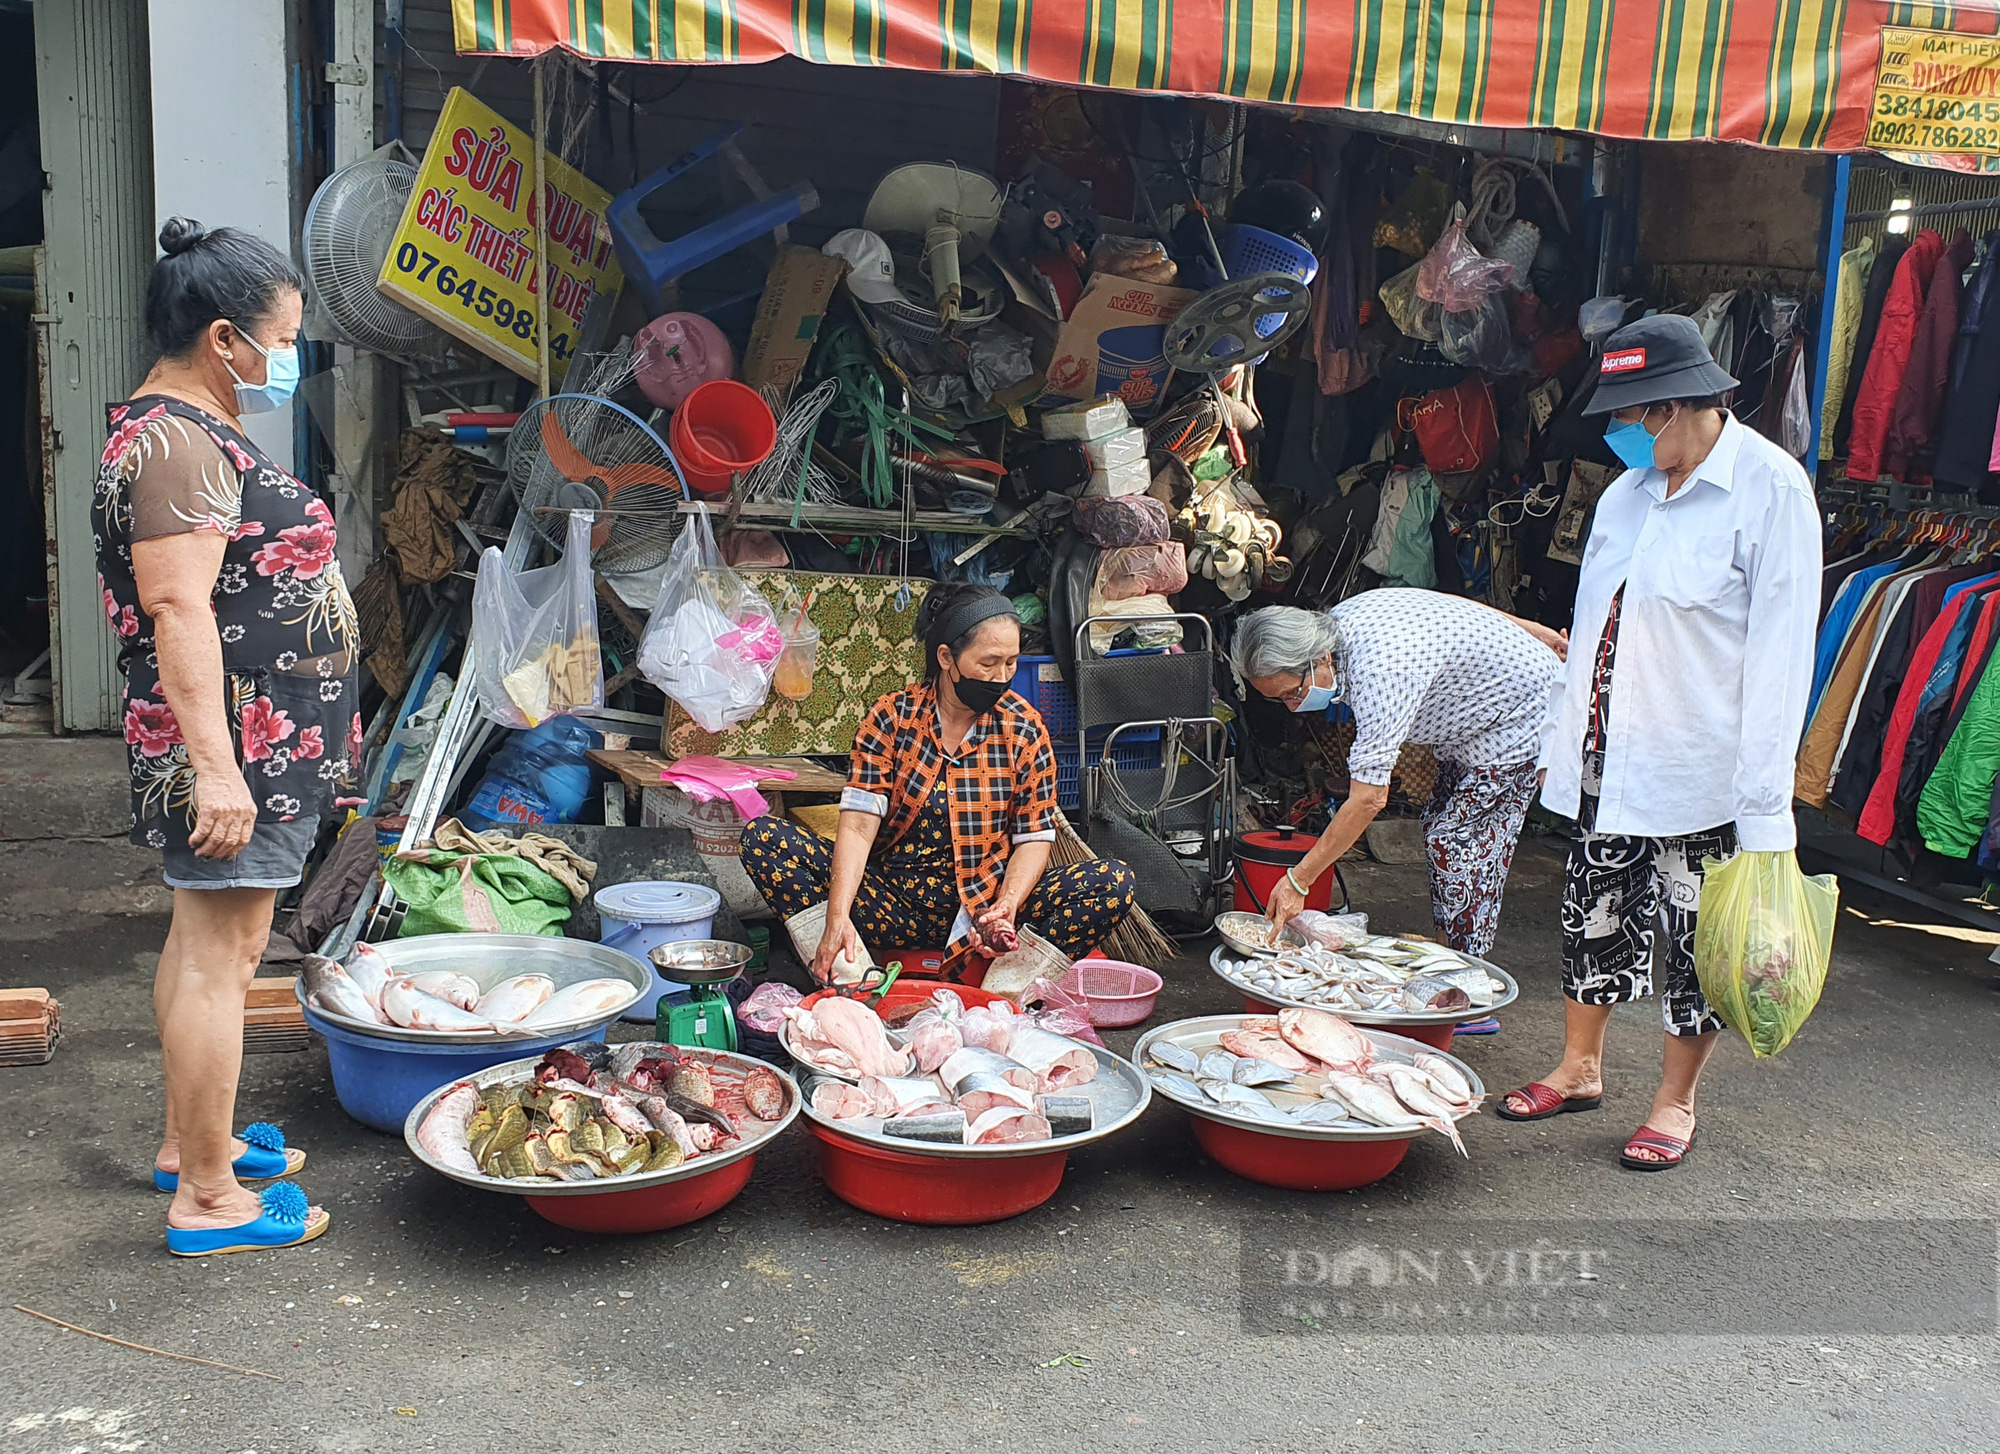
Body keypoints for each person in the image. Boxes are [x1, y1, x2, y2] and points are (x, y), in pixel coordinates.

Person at [1498, 313, 1820, 1171]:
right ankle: (1580, 1066)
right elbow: (1594, 623)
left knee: (1692, 946)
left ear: (1682, 407)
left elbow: (1782, 661)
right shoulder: (1624, 495)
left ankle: (1675, 1103)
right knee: (1591, 919)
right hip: (1610, 755)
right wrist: (1562, 742)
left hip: (1702, 770)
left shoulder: (1771, 492)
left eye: (1637, 419)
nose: (1625, 436)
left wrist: (1765, 812)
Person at [96, 218, 356, 1254]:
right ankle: (208, 1195)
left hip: (260, 735)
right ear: (222, 338)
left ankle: (186, 1142)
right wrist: (216, 769)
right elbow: (178, 609)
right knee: (224, 955)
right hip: (234, 741)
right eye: (283, 338)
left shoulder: (186, 429)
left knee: (202, 938)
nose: (287, 358)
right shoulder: (175, 443)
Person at [740, 583, 1136, 981]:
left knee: (1111, 882)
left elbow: (1033, 836)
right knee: (764, 839)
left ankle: (1001, 1000)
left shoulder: (1024, 728)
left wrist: (1007, 907)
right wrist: (838, 914)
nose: (1002, 678)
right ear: (947, 657)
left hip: (985, 906)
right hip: (893, 901)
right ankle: (855, 983)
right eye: (988, 663)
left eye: (1012, 663)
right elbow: (859, 826)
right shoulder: (893, 718)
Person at [1232, 593, 1567, 961]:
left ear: (1320, 657)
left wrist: (1299, 880)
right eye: (1280, 700)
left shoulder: (1381, 672)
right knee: (1438, 827)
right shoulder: (1341, 621)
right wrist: (1531, 629)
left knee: (1459, 846)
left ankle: (1466, 975)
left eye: (1293, 692)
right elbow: (1451, 606)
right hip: (1479, 715)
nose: (1294, 706)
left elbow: (1369, 798)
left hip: (1523, 711)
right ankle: (1448, 947)